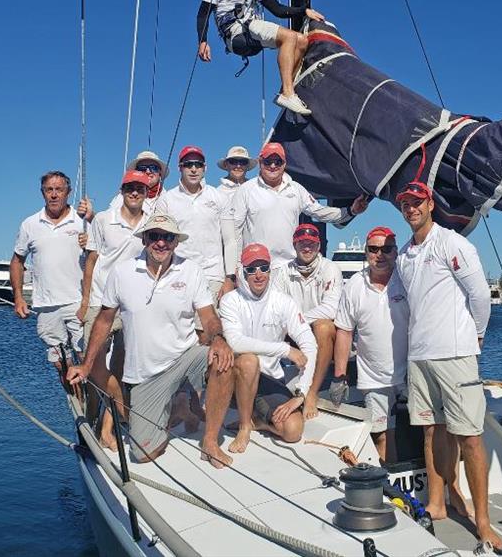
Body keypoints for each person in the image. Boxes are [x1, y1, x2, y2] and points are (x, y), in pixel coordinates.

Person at [66, 214, 236, 468]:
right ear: (145, 239)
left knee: (224, 361)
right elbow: (103, 320)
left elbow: (208, 316)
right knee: (143, 455)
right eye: (155, 236)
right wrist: (87, 365)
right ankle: (176, 407)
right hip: (145, 377)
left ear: (176, 242)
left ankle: (209, 442)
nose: (161, 243)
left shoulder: (190, 270)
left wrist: (219, 338)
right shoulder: (122, 273)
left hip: (184, 358)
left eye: (168, 237)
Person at [395, 180, 502, 552]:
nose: (411, 208)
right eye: (405, 204)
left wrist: (477, 335)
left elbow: (479, 294)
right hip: (420, 355)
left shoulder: (453, 243)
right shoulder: (405, 255)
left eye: (416, 202)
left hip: (455, 355)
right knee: (431, 431)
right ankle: (438, 502)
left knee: (470, 438)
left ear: (429, 204)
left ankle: (483, 521)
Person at [197, 0, 325, 116]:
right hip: (236, 33)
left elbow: (278, 9)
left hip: (251, 30)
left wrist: (304, 11)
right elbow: (203, 13)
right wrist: (202, 41)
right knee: (288, 37)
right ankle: (288, 94)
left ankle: (288, 91)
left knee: (302, 40)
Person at [221, 142, 369, 282]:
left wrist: (350, 210)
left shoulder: (297, 189)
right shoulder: (246, 190)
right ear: (260, 162)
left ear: (284, 164)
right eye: (268, 161)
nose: (273, 166)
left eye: (277, 161)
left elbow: (320, 211)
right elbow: (234, 235)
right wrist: (234, 273)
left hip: (289, 269)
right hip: (256, 269)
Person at [220, 243, 317, 453]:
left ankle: (257, 421)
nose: (258, 274)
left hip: (268, 382)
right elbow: (235, 342)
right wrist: (284, 349)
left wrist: (301, 394)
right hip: (234, 380)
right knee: (248, 360)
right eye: (251, 269)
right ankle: (245, 426)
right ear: (242, 272)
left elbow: (310, 344)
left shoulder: (283, 302)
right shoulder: (230, 301)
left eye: (263, 268)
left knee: (293, 431)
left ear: (269, 270)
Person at [77, 169, 149, 450]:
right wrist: (85, 303)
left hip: (132, 304)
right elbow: (91, 261)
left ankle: (107, 429)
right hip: (101, 301)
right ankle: (122, 408)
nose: (134, 192)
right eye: (130, 187)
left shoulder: (149, 225)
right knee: (93, 363)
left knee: (120, 367)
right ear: (122, 190)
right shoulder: (105, 220)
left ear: (146, 193)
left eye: (140, 188)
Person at [330, 226, 408, 463]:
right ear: (366, 252)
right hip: (373, 377)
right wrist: (339, 375)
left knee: (427, 430)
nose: (380, 255)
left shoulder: (408, 280)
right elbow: (344, 331)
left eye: (387, 249)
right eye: (374, 249)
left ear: (395, 252)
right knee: (382, 435)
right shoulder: (354, 285)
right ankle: (389, 485)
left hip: (411, 374)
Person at [10, 171, 84, 366]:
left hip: (78, 302)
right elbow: (17, 261)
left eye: (59, 189)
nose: (54, 194)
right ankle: (74, 398)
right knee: (60, 362)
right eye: (48, 190)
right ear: (42, 193)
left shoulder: (82, 221)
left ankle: (93, 397)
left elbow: (100, 256)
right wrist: (18, 298)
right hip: (46, 305)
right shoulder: (30, 224)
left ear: (68, 192)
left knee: (86, 358)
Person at [272, 223, 342, 420]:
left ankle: (311, 391)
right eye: (302, 243)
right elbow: (277, 308)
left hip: (315, 330)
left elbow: (330, 308)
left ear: (318, 246)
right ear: (294, 245)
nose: (307, 248)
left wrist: (298, 322)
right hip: (293, 331)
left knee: (324, 326)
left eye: (311, 244)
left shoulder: (330, 268)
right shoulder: (282, 272)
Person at [155, 146, 226, 304]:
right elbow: (158, 242)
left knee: (208, 328)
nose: (193, 169)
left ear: (205, 168)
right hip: (176, 273)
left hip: (213, 275)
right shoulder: (166, 199)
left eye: (198, 164)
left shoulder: (219, 196)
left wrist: (229, 278)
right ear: (179, 168)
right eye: (188, 164)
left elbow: (230, 240)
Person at [79, 150, 170, 224]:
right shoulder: (122, 197)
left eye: (153, 168)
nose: (148, 171)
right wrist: (91, 216)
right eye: (142, 168)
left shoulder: (169, 198)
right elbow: (107, 224)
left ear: (160, 173)